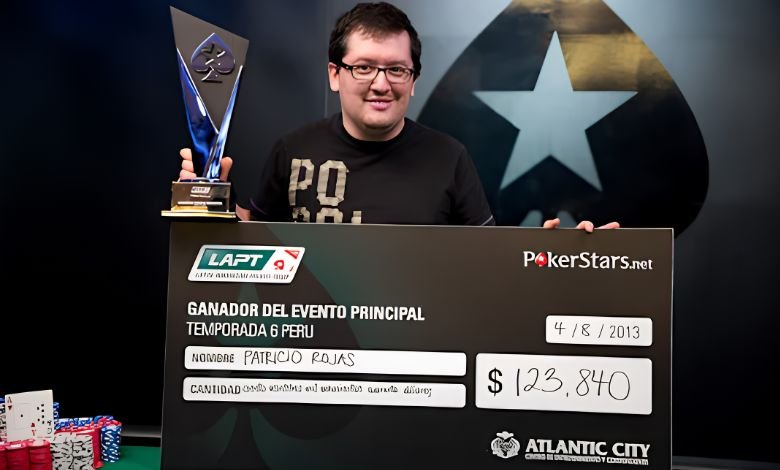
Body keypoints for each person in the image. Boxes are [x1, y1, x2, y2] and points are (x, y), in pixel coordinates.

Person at [179, 2, 618, 232]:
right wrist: (210, 199)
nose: (381, 83)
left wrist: (549, 256)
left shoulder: (448, 158)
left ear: (413, 80)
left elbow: (489, 263)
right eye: (364, 67)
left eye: (396, 69)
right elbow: (255, 244)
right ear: (334, 74)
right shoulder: (292, 150)